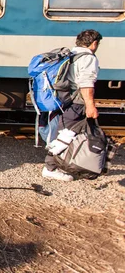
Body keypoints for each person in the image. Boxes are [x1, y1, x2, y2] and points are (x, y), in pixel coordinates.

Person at [42, 29, 102, 182]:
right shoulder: (88, 58)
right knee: (65, 135)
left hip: (65, 101)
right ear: (94, 43)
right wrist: (90, 105)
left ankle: (65, 163)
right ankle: (50, 168)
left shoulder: (72, 54)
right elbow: (86, 84)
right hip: (75, 103)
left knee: (66, 133)